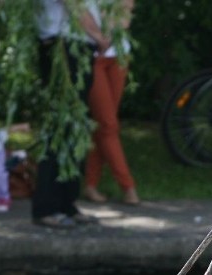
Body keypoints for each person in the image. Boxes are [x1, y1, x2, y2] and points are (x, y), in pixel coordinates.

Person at [33, 0, 108, 228]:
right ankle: (46, 207)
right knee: (59, 126)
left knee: (75, 126)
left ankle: (67, 203)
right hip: (63, 45)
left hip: (77, 44)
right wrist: (99, 36)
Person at [83, 0, 140, 206]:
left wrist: (106, 33)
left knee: (104, 125)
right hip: (92, 55)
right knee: (108, 125)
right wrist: (98, 36)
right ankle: (128, 186)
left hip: (117, 55)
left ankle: (90, 184)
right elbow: (78, 11)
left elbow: (125, 12)